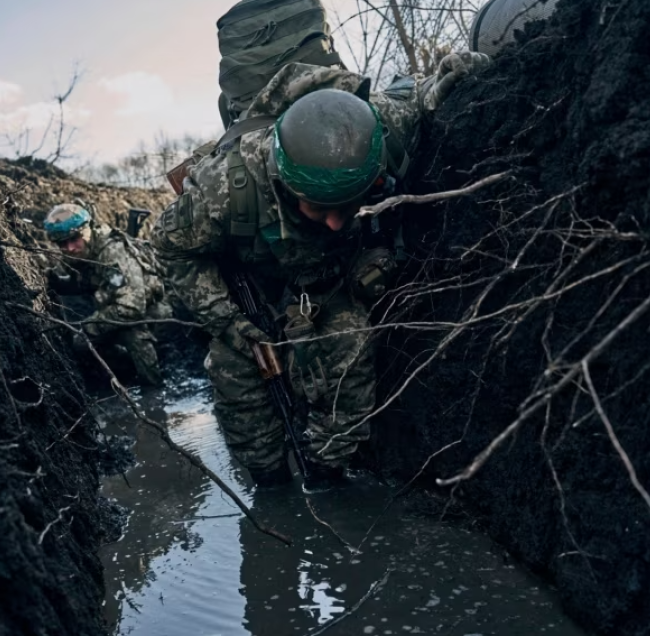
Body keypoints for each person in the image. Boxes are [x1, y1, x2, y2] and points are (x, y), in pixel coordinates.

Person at [151, 54, 489, 487]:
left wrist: (449, 77)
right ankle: (269, 483)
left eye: (347, 207)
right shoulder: (224, 188)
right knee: (235, 375)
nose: (334, 223)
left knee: (350, 345)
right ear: (283, 182)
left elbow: (420, 94)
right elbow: (169, 248)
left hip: (331, 284)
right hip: (254, 292)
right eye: (318, 208)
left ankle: (329, 475)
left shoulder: (380, 130)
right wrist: (231, 323)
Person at [43, 202, 170, 386]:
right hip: (116, 309)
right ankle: (124, 371)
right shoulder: (82, 252)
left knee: (132, 333)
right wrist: (56, 282)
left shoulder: (111, 253)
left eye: (74, 238)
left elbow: (132, 307)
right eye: (62, 243)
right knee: (82, 343)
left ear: (87, 229)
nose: (69, 248)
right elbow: (84, 283)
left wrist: (89, 328)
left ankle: (154, 388)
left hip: (154, 313)